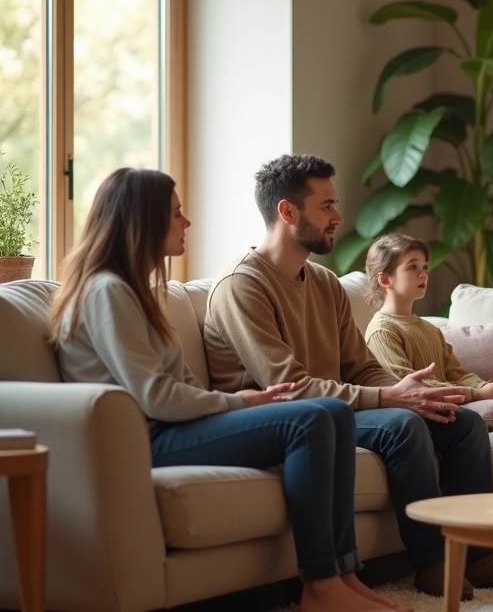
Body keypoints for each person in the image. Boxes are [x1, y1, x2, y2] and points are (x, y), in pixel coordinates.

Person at [52, 168, 404, 612]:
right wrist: (239, 402)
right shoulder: (106, 292)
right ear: (142, 221)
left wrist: (234, 408)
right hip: (148, 438)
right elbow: (155, 397)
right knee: (312, 417)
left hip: (173, 427)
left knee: (328, 412)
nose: (187, 223)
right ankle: (318, 587)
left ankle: (343, 575)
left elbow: (180, 384)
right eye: (176, 214)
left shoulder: (136, 291)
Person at [203, 154, 493, 600]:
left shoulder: (324, 284)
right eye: (326, 207)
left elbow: (360, 366)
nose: (338, 217)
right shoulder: (242, 287)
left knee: (463, 424)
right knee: (401, 426)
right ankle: (431, 562)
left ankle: (476, 555)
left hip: (337, 411)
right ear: (288, 212)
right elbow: (287, 386)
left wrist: (410, 391)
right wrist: (391, 401)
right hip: (289, 418)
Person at [361, 233, 493, 401]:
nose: (423, 274)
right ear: (385, 279)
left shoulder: (431, 329)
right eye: (412, 267)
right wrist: (476, 394)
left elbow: (457, 373)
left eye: (424, 267)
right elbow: (409, 386)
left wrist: (485, 386)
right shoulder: (382, 330)